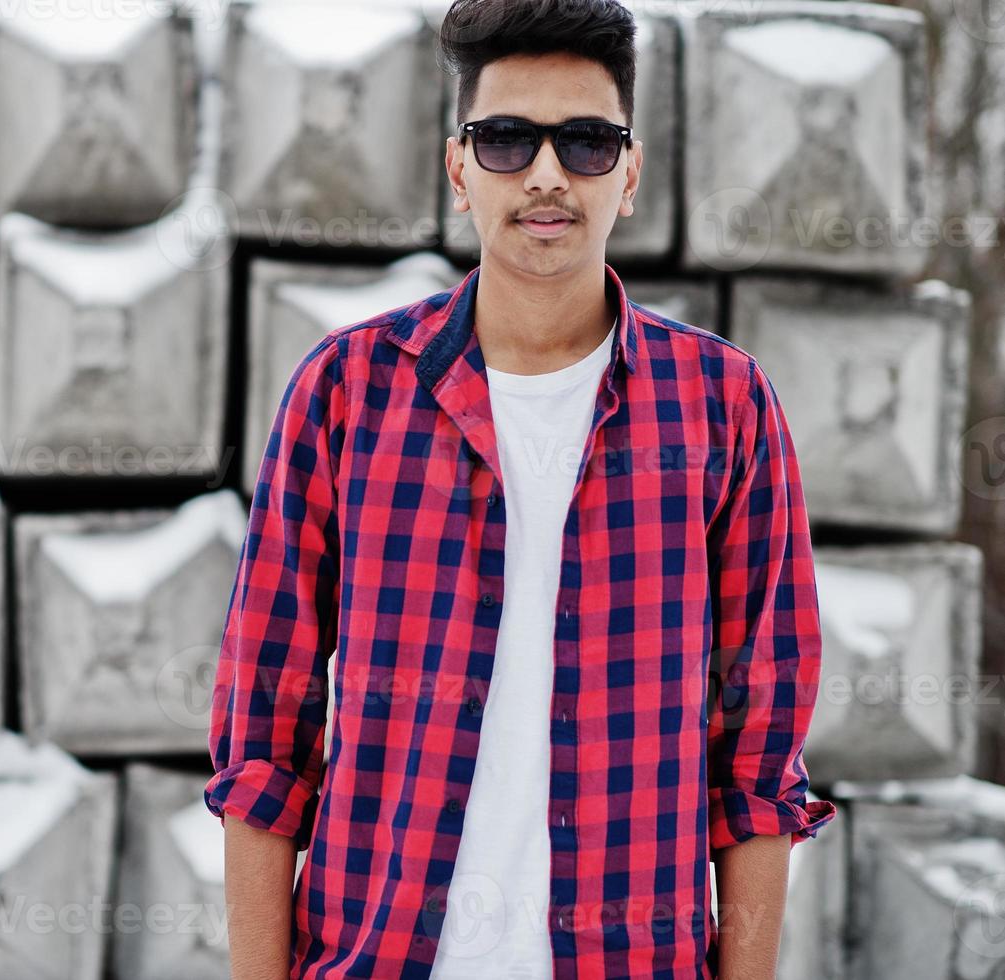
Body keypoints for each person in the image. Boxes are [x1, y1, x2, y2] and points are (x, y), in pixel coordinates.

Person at [204, 1, 837, 977]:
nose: (547, 173)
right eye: (506, 139)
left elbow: (757, 766)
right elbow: (262, 741)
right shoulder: (346, 392)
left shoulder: (725, 406)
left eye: (588, 142)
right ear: (459, 169)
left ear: (629, 174)